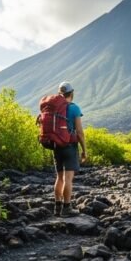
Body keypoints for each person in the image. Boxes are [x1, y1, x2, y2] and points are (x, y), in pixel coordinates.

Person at [53, 81, 87, 216]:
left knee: (59, 177)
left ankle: (57, 208)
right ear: (71, 93)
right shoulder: (74, 108)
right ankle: (67, 208)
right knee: (68, 178)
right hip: (69, 146)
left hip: (56, 145)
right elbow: (79, 132)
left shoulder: (54, 108)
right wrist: (84, 150)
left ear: (60, 93)